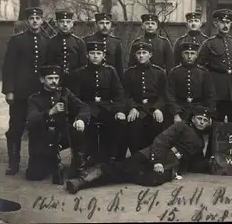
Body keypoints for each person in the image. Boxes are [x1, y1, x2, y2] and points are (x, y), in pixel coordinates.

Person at [65, 106, 214, 194]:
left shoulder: (200, 142)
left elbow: (194, 161)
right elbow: (161, 141)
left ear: (208, 123)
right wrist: (157, 161)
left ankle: (123, 175)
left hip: (171, 165)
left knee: (153, 180)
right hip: (153, 153)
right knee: (123, 166)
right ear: (193, 118)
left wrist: (211, 164)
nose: (201, 122)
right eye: (199, 118)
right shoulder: (181, 126)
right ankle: (82, 181)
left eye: (205, 120)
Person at [1, 7, 50, 175]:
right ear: (27, 21)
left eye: (38, 18)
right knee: (16, 128)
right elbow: (8, 67)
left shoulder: (46, 41)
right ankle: (13, 163)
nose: (35, 21)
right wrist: (9, 90)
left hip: (38, 95)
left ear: (42, 20)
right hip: (20, 93)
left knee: (38, 128)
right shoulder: (17, 40)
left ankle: (36, 162)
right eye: (31, 18)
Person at [25, 65, 90, 183]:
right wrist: (49, 112)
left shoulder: (64, 93)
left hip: (62, 134)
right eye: (50, 78)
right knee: (34, 175)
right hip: (42, 137)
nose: (54, 81)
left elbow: (83, 107)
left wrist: (81, 119)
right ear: (42, 80)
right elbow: (31, 119)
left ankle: (79, 167)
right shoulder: (34, 98)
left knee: (77, 130)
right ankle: (51, 162)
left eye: (56, 78)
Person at [69, 41, 128, 163]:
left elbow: (118, 93)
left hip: (106, 107)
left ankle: (116, 159)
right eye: (92, 53)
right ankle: (81, 160)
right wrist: (79, 114)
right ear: (87, 55)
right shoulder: (79, 73)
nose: (95, 56)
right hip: (86, 108)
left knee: (120, 123)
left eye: (98, 53)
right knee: (82, 126)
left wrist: (119, 110)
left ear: (103, 56)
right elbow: (75, 97)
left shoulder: (110, 71)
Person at [197, 9, 232, 122]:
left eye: (228, 22)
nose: (225, 25)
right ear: (216, 23)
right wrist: (209, 80)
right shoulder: (208, 44)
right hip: (216, 91)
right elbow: (199, 65)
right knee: (216, 125)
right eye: (222, 22)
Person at [123, 42, 167, 154]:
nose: (141, 55)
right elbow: (126, 94)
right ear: (135, 55)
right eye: (138, 53)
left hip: (153, 108)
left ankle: (154, 158)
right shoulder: (129, 73)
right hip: (137, 108)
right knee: (133, 125)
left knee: (157, 124)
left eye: (144, 53)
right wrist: (132, 107)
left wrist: (158, 108)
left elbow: (164, 95)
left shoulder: (159, 72)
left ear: (150, 55)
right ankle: (136, 158)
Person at [166, 42, 217, 125]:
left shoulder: (203, 73)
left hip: (199, 111)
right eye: (186, 53)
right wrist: (176, 113)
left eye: (192, 53)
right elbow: (169, 94)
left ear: (196, 55)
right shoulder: (174, 73)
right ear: (182, 55)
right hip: (180, 109)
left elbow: (210, 95)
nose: (189, 56)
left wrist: (207, 114)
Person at [46, 10, 87, 84]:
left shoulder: (79, 42)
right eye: (62, 22)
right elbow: (48, 63)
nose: (65, 25)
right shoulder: (50, 42)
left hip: (75, 81)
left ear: (72, 24)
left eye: (68, 22)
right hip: (55, 81)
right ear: (57, 23)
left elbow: (83, 65)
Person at [84, 12, 124, 80]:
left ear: (111, 25)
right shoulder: (87, 40)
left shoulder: (116, 42)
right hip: (91, 78)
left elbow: (119, 66)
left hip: (111, 79)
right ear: (96, 24)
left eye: (107, 23)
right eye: (101, 23)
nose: (105, 26)